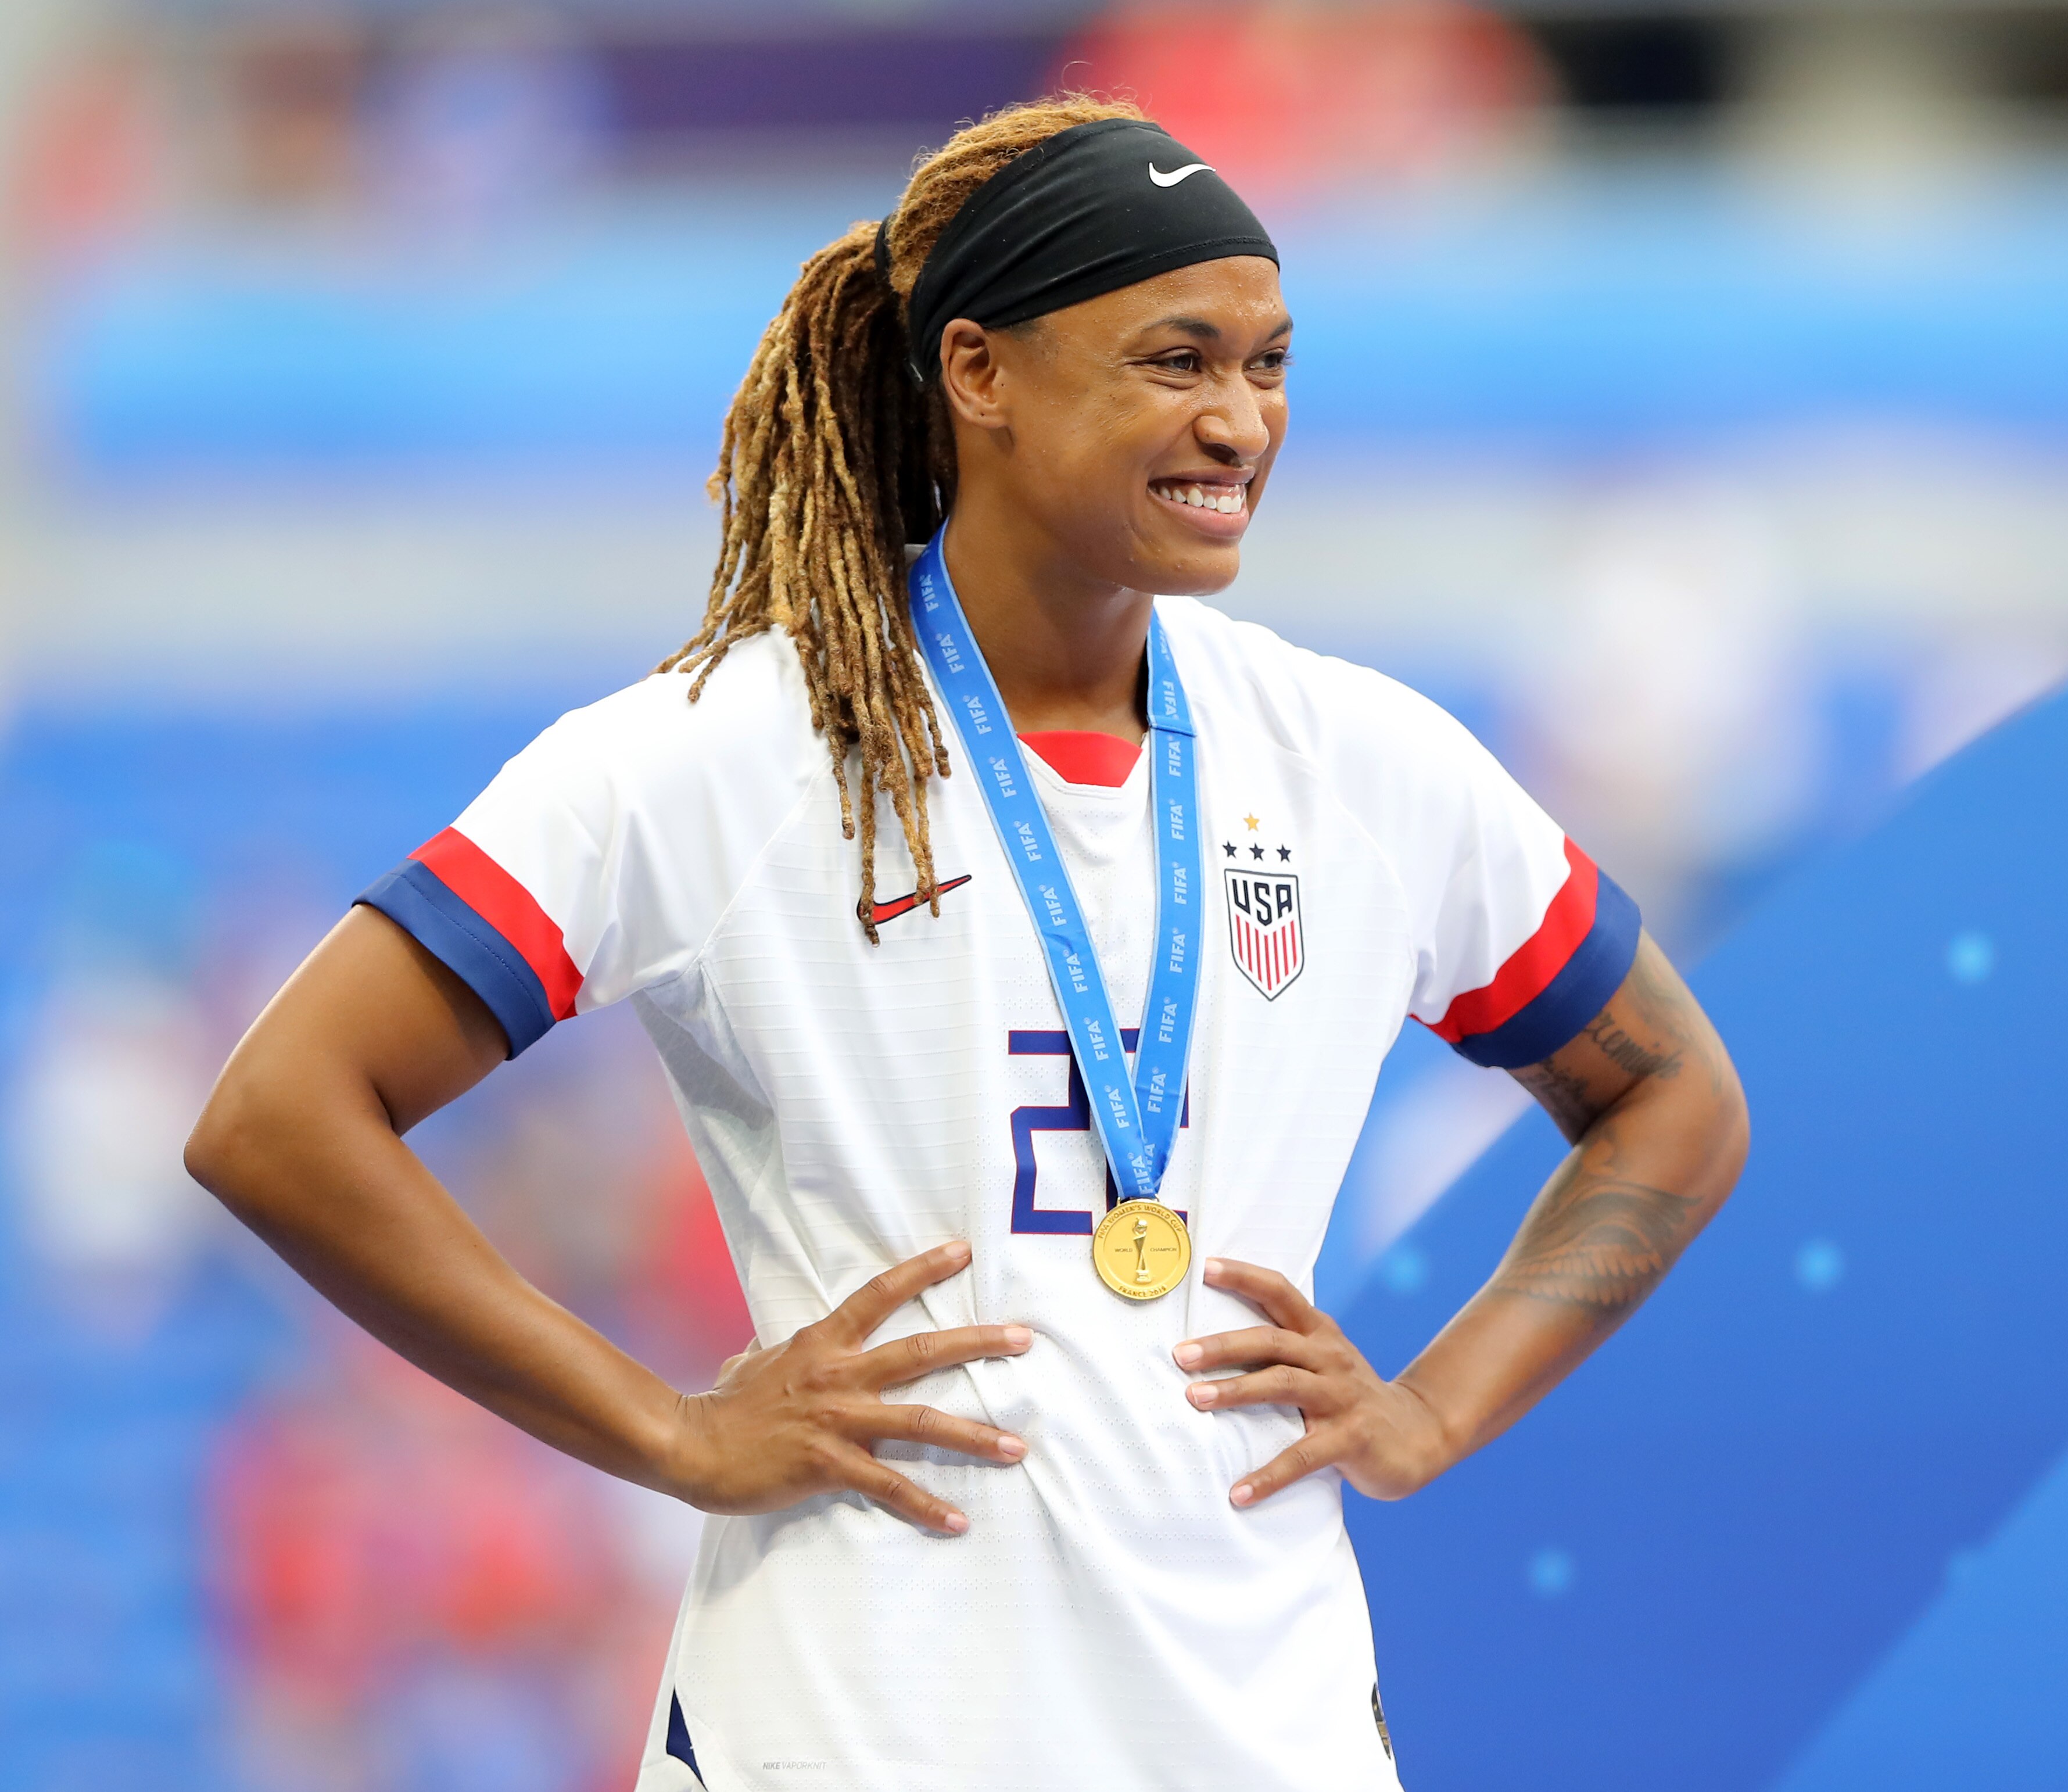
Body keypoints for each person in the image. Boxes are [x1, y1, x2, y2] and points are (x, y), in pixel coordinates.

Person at [186, 95, 1748, 1791]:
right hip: (849, 1732)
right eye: (1176, 360)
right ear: (978, 371)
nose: (1239, 421)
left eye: (1269, 365)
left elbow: (1675, 1100)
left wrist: (1434, 1408)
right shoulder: (728, 751)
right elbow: (279, 1118)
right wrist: (672, 1430)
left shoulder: (1365, 765)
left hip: (1256, 1733)